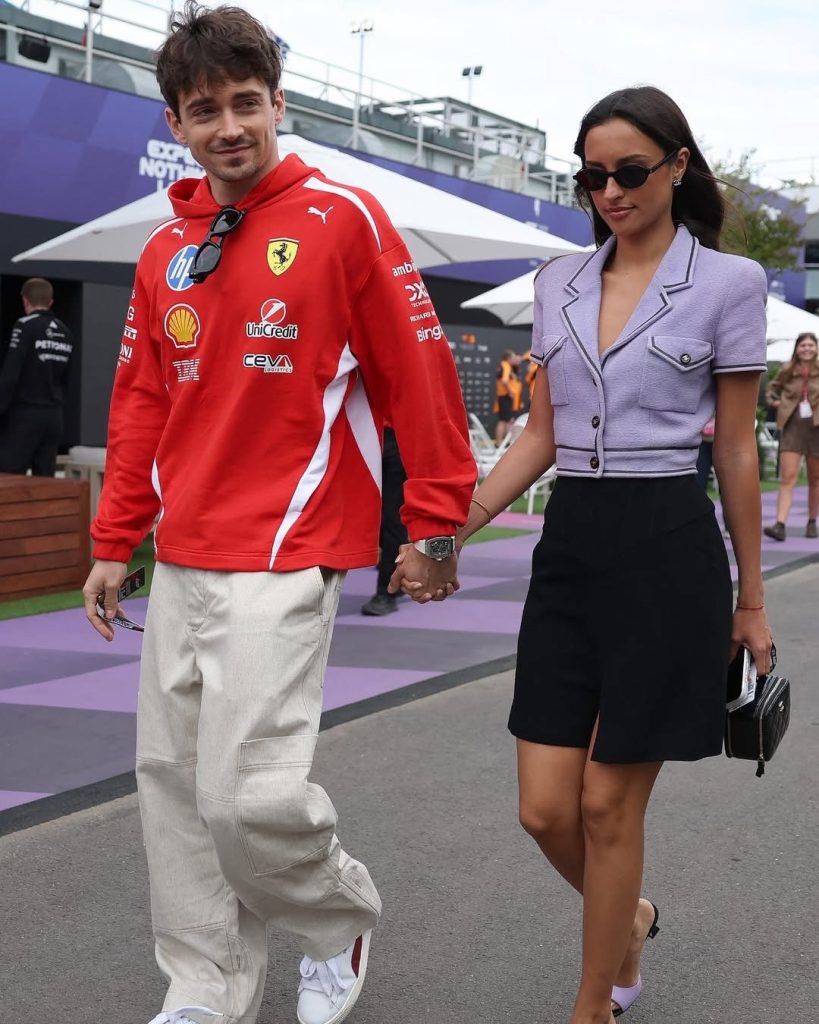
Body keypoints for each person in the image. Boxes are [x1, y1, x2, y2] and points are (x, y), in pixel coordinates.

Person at [81, 6, 474, 1024]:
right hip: (184, 555)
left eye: (245, 103)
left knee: (247, 794)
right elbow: (140, 403)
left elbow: (419, 378)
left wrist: (435, 526)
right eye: (204, 110)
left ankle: (337, 917)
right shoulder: (165, 247)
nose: (229, 127)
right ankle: (205, 987)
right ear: (175, 122)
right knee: (172, 785)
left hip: (289, 551)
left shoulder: (345, 219)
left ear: (278, 104)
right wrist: (114, 539)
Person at [422, 86, 773, 1024]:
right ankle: (632, 919)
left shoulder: (730, 283)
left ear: (677, 166)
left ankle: (593, 1003)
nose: (609, 191)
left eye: (628, 171)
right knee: (544, 809)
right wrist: (454, 528)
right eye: (591, 177)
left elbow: (736, 451)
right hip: (571, 547)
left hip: (667, 547)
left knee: (609, 806)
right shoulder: (558, 282)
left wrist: (750, 599)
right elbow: (539, 435)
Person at [0, 277, 74, 476]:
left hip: (25, 416)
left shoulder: (24, 326)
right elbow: (66, 380)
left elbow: (10, 375)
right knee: (45, 480)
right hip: (54, 418)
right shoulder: (66, 332)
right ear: (50, 302)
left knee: (9, 477)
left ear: (25, 300)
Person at [763, 332, 819, 540]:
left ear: (816, 348)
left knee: (815, 478)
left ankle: (812, 521)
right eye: (803, 345)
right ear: (797, 348)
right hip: (793, 427)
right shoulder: (788, 369)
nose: (807, 349)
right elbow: (771, 388)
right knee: (787, 477)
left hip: (816, 428)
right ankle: (780, 524)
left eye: (811, 345)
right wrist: (775, 402)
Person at [360, 426, 408, 615]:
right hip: (366, 432)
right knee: (374, 516)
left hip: (397, 435)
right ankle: (396, 571)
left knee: (392, 519)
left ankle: (387, 592)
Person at [493, 348, 522, 444]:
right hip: (505, 397)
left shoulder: (505, 365)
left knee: (505, 420)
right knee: (507, 421)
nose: (515, 359)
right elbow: (505, 380)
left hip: (504, 397)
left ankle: (502, 443)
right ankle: (506, 443)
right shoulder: (506, 365)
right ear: (508, 358)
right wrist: (510, 392)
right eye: (513, 357)